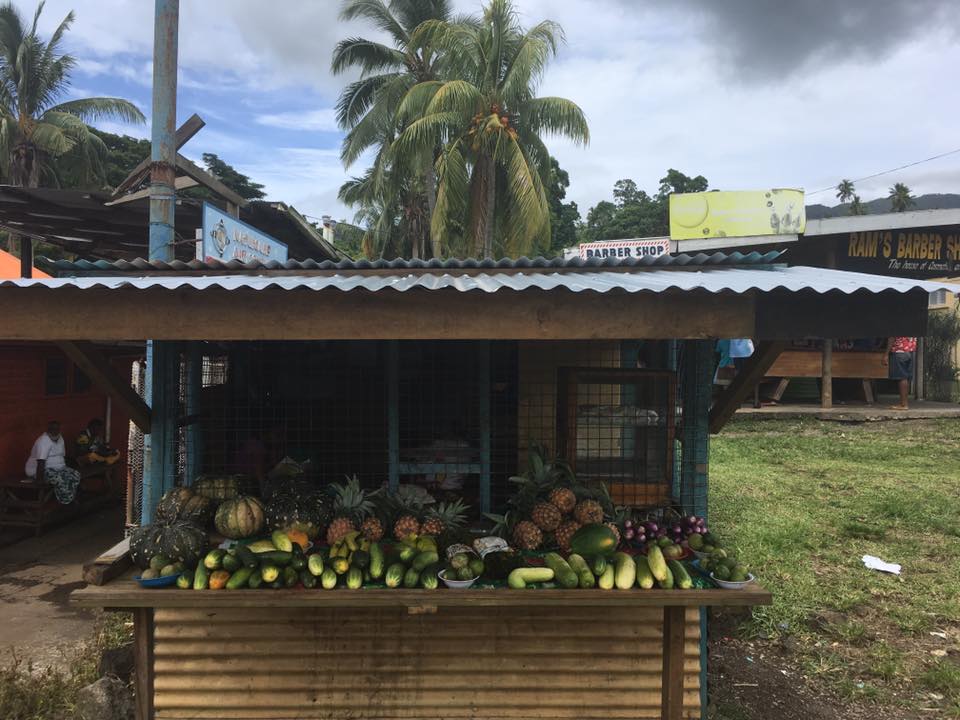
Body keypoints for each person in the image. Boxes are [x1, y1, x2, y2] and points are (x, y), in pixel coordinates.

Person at [25, 421, 81, 504]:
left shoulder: (60, 438)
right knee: (63, 479)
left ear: (59, 430)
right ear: (48, 430)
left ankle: (70, 500)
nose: (54, 431)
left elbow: (62, 456)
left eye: (56, 429)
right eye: (52, 429)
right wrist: (39, 480)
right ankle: (64, 503)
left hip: (58, 468)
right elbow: (41, 462)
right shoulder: (43, 441)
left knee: (75, 475)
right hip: (41, 470)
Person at [887, 336, 917, 410]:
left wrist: (886, 354)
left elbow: (891, 338)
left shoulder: (897, 325)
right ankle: (904, 403)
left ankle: (903, 404)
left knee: (901, 377)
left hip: (899, 351)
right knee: (905, 378)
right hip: (910, 351)